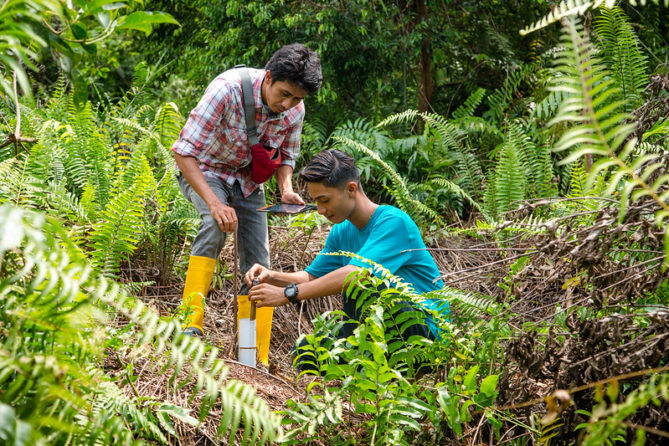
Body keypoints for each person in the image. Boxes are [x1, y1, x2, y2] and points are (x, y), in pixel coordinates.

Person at [172, 43, 322, 357]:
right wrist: (215, 203)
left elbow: (286, 155)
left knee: (260, 264)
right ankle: (190, 326)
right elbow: (183, 153)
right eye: (284, 94)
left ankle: (252, 352)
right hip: (206, 169)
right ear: (268, 78)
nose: (289, 103)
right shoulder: (226, 91)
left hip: (249, 182)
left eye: (297, 98)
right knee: (215, 226)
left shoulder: (296, 108)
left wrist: (286, 187)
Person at [244, 149, 448, 371]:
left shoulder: (394, 223)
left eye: (325, 200)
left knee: (373, 292)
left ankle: (369, 374)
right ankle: (359, 372)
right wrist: (272, 276)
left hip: (421, 335)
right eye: (316, 202)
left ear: (351, 189)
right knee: (307, 349)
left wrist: (287, 294)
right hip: (372, 332)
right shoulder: (341, 231)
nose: (320, 210)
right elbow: (311, 275)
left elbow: (354, 274)